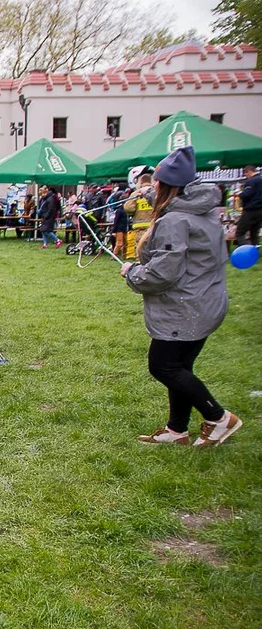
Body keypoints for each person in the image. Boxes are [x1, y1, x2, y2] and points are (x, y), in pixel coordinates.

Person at [121, 146, 242, 447]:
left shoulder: (175, 221)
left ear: (168, 186)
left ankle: (218, 417)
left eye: (157, 182)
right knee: (180, 367)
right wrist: (145, 193)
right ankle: (177, 430)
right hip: (205, 301)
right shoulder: (198, 208)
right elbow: (172, 205)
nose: (153, 186)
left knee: (163, 365)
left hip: (187, 306)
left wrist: (131, 272)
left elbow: (163, 273)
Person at [124, 173, 155, 261]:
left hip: (140, 227)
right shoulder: (156, 192)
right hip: (155, 226)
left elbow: (128, 208)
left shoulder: (136, 194)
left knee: (140, 250)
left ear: (140, 182)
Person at [234, 164, 260, 246]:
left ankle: (245, 251)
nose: (245, 175)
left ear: (249, 171)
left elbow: (247, 194)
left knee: (239, 233)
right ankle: (255, 251)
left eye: (245, 173)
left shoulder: (251, 181)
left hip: (250, 210)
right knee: (254, 233)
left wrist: (239, 194)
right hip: (260, 210)